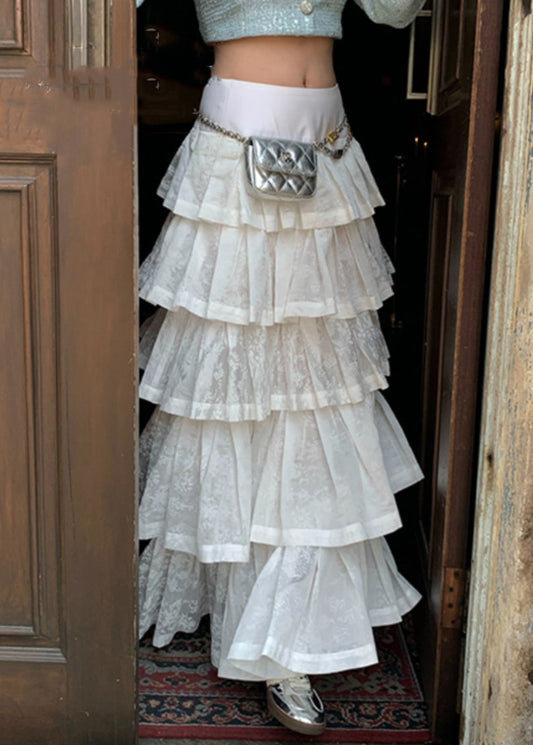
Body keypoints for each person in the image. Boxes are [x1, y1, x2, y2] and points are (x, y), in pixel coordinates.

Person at [137, 0, 426, 736]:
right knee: (232, 395)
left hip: (328, 148)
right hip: (234, 151)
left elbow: (394, 12)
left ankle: (288, 638)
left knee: (319, 400)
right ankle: (251, 616)